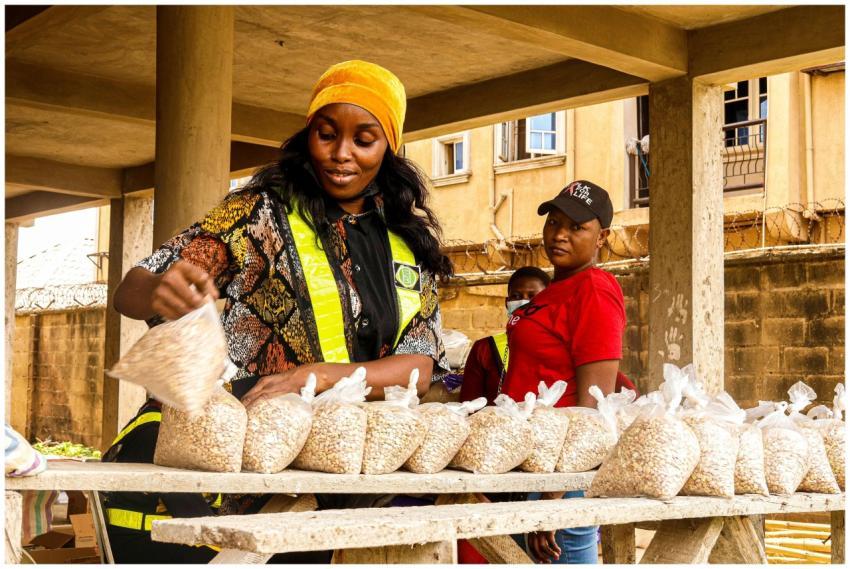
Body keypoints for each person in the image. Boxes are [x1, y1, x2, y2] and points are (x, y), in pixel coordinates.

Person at [103, 60, 452, 564]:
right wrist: (163, 290)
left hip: (325, 474)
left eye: (364, 139)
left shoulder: (407, 243)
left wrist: (314, 377)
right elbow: (130, 290)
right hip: (225, 460)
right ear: (308, 135)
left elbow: (418, 369)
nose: (341, 154)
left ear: (389, 146)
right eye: (327, 134)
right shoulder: (258, 212)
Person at [503, 180, 626, 564]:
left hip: (560, 479)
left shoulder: (594, 289)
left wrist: (552, 500)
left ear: (601, 236)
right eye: (554, 222)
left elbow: (592, 407)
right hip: (533, 464)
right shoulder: (552, 292)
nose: (559, 235)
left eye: (577, 227)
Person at [459, 266, 551, 405]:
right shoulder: (484, 349)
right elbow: (469, 404)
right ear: (507, 303)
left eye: (533, 296)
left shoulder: (560, 346)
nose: (523, 302)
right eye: (516, 296)